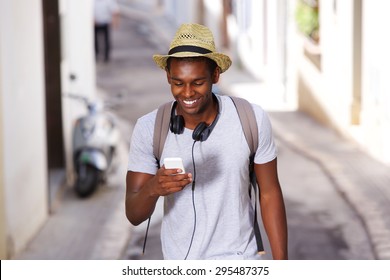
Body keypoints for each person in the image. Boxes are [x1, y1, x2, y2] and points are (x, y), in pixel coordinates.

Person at [125, 23, 288, 260]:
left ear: (215, 75)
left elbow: (270, 193)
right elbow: (134, 215)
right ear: (168, 77)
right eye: (178, 83)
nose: (188, 93)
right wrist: (153, 188)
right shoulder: (149, 128)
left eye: (198, 82)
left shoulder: (251, 119)